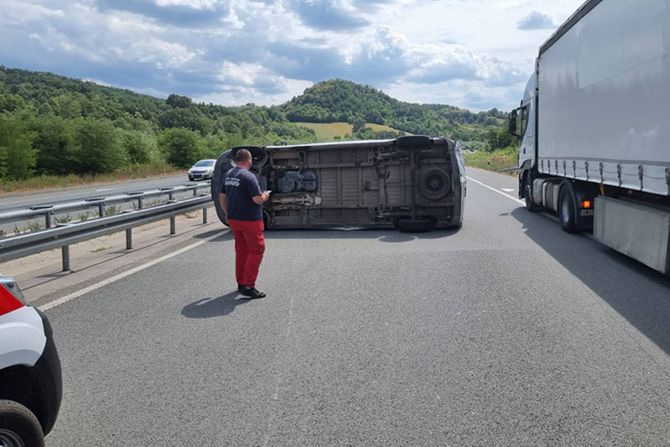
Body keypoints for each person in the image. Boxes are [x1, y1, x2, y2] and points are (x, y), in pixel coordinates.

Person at [219, 149, 270, 299]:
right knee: (256, 251)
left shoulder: (228, 175)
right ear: (249, 160)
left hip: (234, 220)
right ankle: (248, 285)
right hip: (250, 221)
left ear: (236, 160)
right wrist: (265, 196)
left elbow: (222, 196)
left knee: (241, 251)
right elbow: (257, 199)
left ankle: (241, 283)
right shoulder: (249, 176)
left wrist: (227, 213)